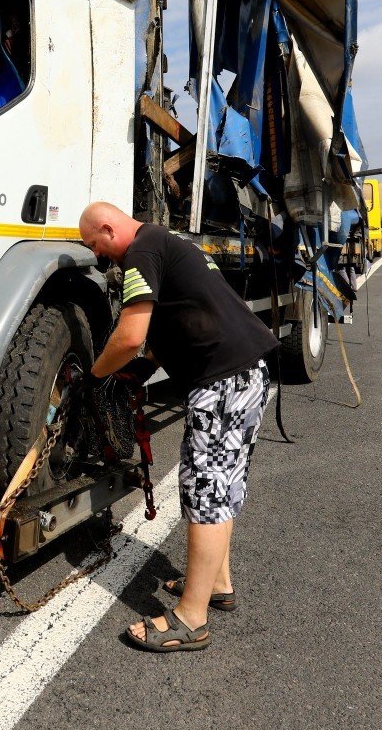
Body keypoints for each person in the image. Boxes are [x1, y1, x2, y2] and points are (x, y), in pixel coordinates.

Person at [79, 201, 279, 653]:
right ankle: (218, 584)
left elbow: (130, 336)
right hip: (248, 371)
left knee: (205, 490)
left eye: (97, 246)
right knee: (222, 486)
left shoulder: (140, 254)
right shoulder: (168, 242)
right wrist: (143, 370)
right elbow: (181, 318)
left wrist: (97, 376)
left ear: (109, 229)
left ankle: (191, 618)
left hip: (224, 379)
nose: (102, 257)